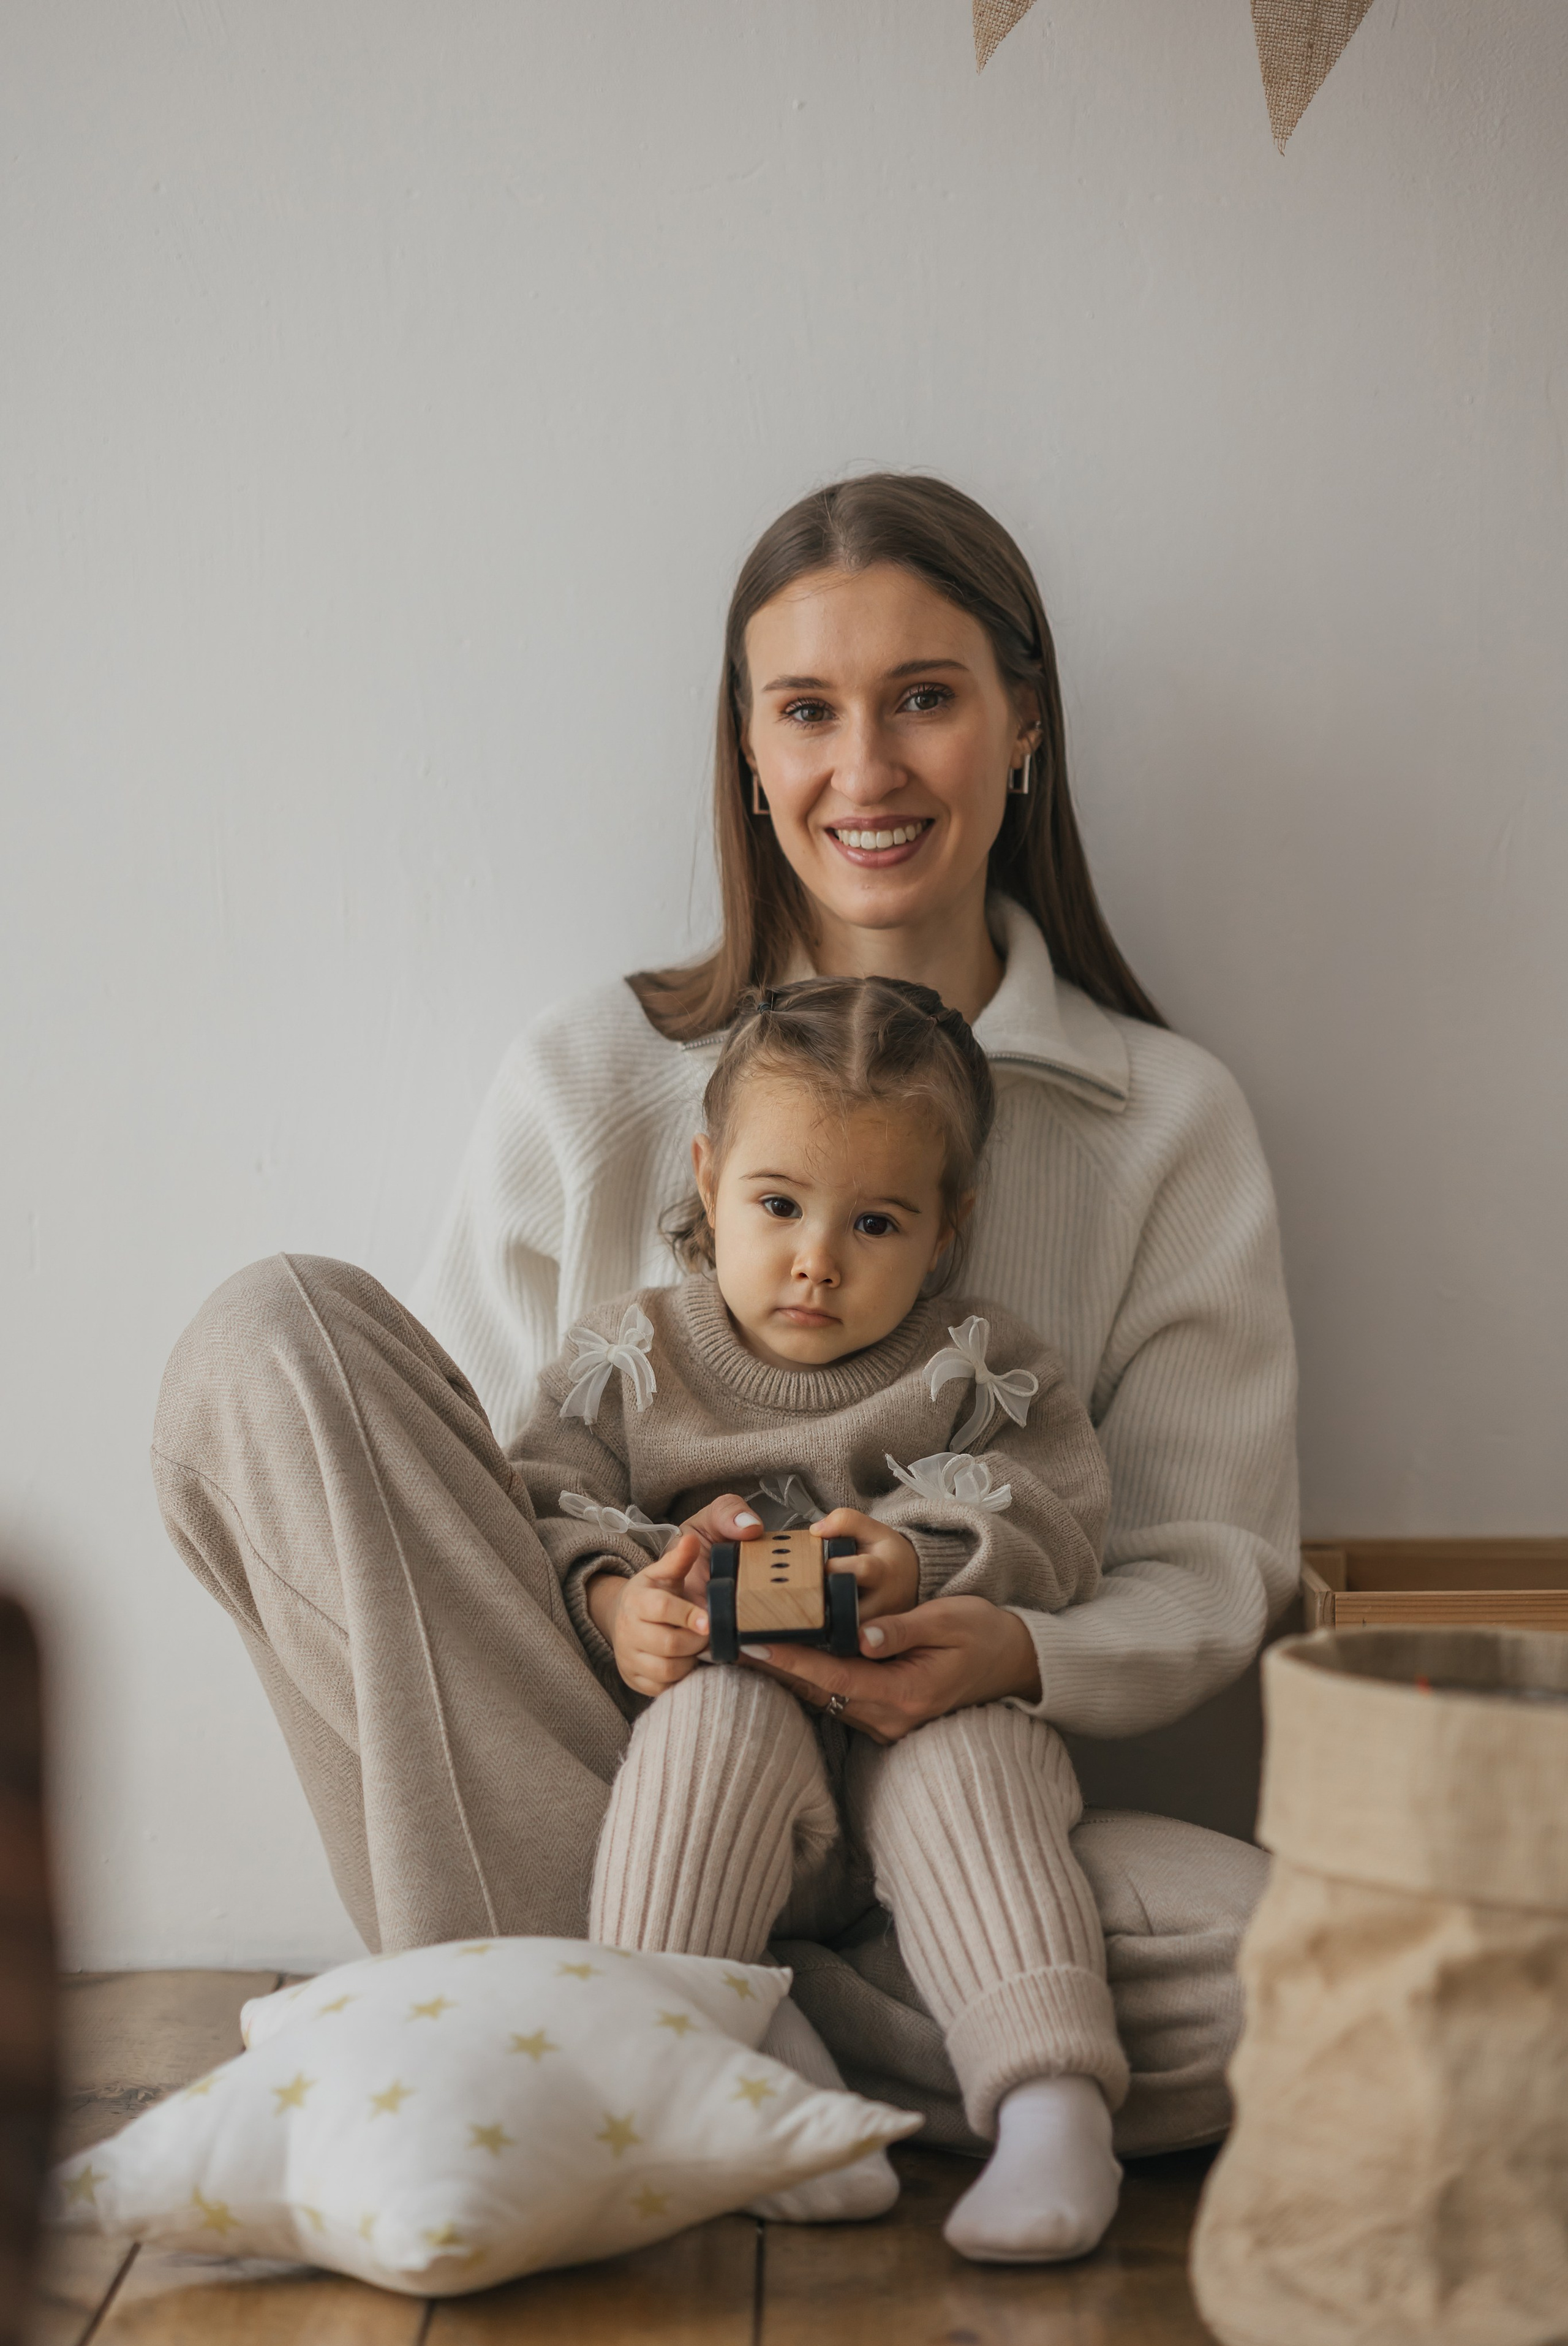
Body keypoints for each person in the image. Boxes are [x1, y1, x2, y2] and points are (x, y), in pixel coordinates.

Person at [152, 471, 1297, 2193]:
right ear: (750, 757)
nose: (868, 767)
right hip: (614, 1790)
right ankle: (708, 2015)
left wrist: (1009, 1650)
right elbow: (458, 1538)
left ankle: (643, 2043)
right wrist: (622, 1612)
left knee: (1328, 1969)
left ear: (1023, 729)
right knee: (268, 1338)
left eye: (926, 698)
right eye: (808, 711)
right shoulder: (589, 1074)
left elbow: (1216, 1563)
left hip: (964, 1805)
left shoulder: (1169, 1120)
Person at [515, 974, 1122, 2260]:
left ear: (947, 1232)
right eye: (778, 1206)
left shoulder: (975, 1367)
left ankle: (1049, 2104)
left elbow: (1064, 1523)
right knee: (709, 1719)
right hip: (734, 1792)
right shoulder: (629, 1358)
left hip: (917, 1761)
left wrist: (922, 1559)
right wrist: (620, 1603)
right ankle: (694, 2068)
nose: (815, 1260)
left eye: (876, 1224)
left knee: (974, 1745)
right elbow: (533, 1509)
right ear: (707, 1173)